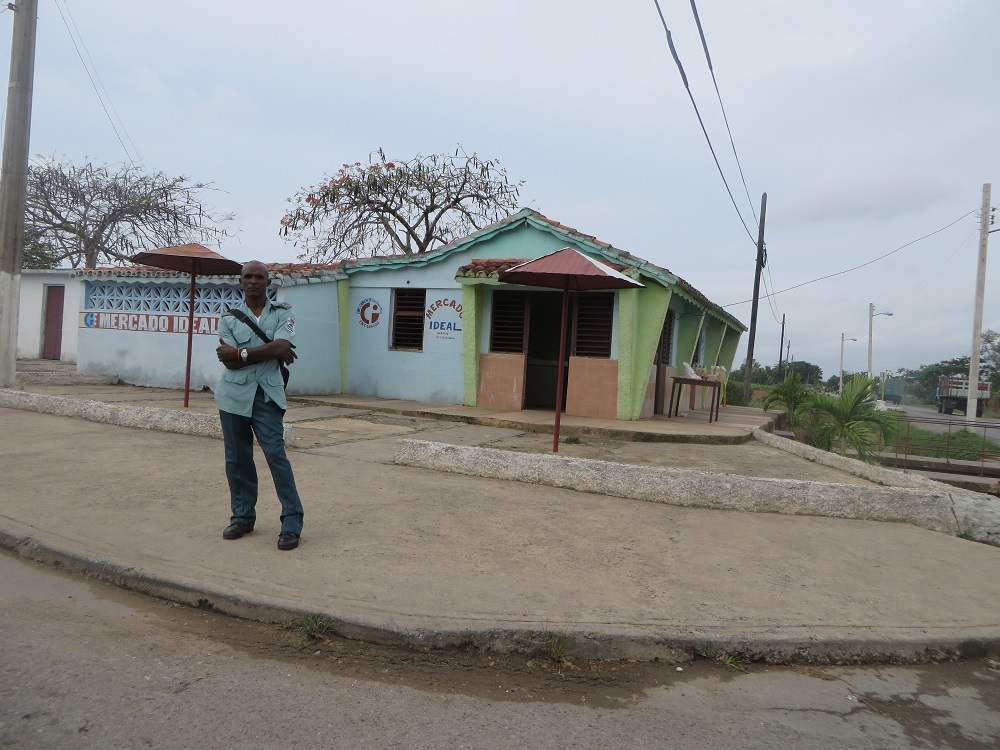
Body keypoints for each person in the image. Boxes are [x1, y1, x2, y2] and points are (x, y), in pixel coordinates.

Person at [215, 260, 304, 551]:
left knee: (276, 456)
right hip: (233, 397)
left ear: (268, 282)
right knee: (237, 459)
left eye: (259, 277)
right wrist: (266, 352)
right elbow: (227, 361)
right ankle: (242, 518)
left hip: (267, 395)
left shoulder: (283, 312)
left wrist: (241, 353)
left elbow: (282, 346)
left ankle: (291, 523)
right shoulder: (228, 318)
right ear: (241, 282)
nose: (253, 281)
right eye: (248, 276)